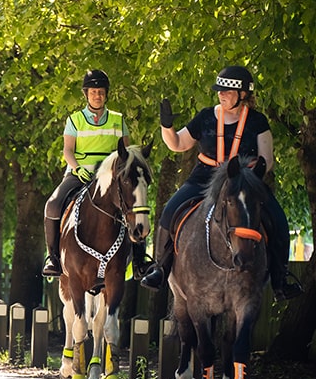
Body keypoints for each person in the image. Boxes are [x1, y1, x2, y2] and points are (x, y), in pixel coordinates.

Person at [140, 65, 303, 301]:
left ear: (243, 94)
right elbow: (177, 144)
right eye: (220, 90)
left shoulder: (258, 121)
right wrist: (167, 125)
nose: (221, 94)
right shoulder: (206, 116)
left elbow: (267, 160)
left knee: (277, 217)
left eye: (227, 91)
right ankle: (160, 268)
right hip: (204, 176)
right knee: (169, 211)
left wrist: (252, 174)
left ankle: (280, 279)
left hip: (243, 181)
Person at [42, 69, 153, 277]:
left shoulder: (118, 120)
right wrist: (77, 169)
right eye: (93, 92)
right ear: (86, 94)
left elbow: (126, 154)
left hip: (110, 177)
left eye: (101, 92)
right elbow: (67, 150)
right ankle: (54, 259)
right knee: (53, 205)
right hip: (80, 173)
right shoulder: (75, 120)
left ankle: (139, 261)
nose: (97, 96)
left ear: (106, 94)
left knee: (136, 203)